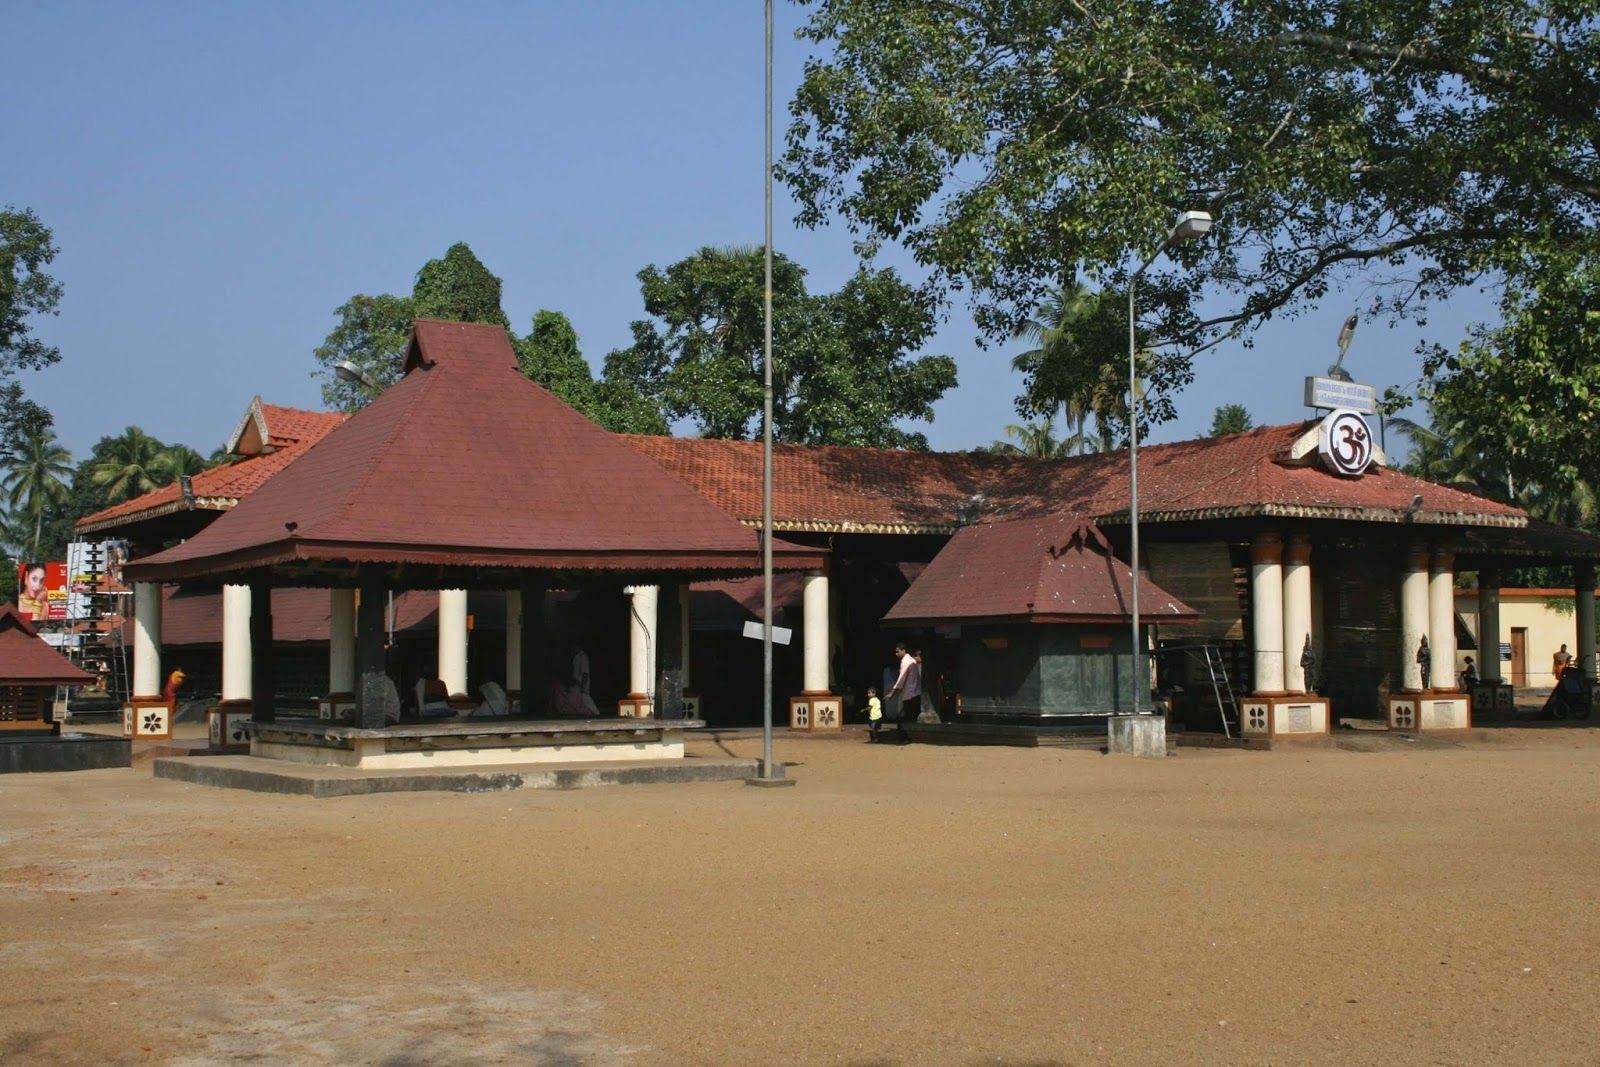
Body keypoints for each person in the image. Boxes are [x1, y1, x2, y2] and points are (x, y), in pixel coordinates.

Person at [885, 642, 922, 722]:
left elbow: (901, 679)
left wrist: (892, 693)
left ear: (903, 650)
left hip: (910, 695)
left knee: (909, 718)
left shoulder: (906, 661)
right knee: (913, 717)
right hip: (915, 693)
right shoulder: (912, 660)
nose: (896, 654)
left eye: (898, 651)